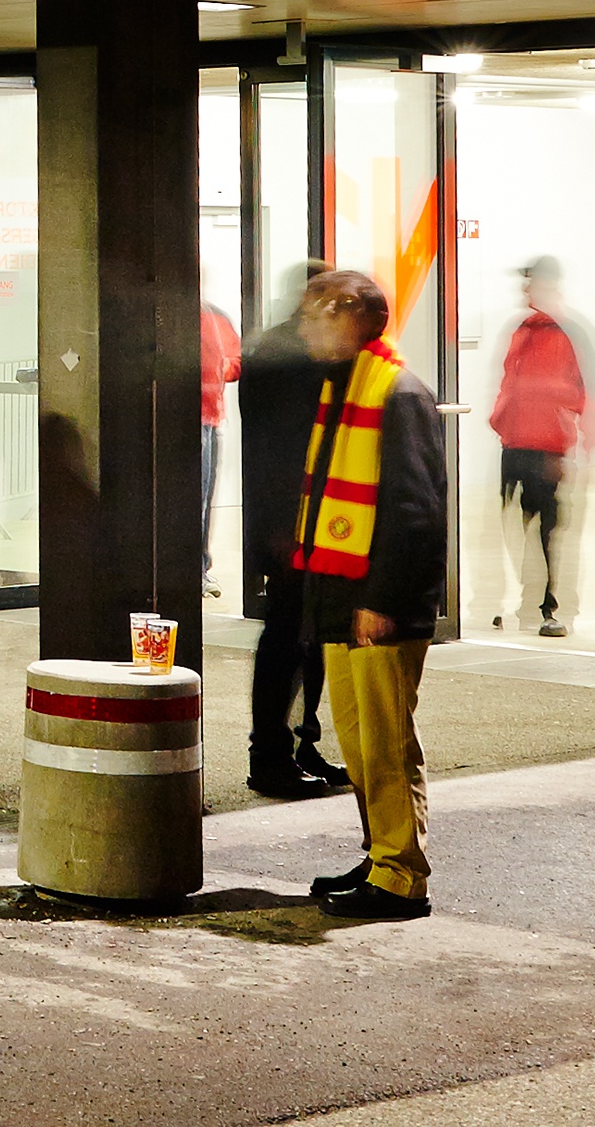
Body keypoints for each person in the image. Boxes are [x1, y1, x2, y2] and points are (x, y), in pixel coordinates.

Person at [280, 267, 450, 920]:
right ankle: (381, 851)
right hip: (343, 596)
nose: (304, 328)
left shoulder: (398, 394)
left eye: (314, 316)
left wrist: (383, 600)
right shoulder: (345, 387)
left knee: (385, 741)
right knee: (357, 740)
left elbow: (416, 511)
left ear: (350, 317)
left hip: (379, 604)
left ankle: (402, 877)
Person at [233, 259, 339, 797]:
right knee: (286, 633)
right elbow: (271, 451)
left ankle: (302, 743)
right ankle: (269, 754)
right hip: (288, 519)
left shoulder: (305, 351)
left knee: (311, 632)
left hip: (314, 515)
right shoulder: (278, 355)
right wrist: (279, 526)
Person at [482, 254, 595, 635]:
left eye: (531, 281)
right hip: (515, 445)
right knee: (518, 527)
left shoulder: (568, 333)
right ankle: (530, 601)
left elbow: (590, 392)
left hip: (549, 448)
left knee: (549, 531)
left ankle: (552, 609)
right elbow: (507, 382)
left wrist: (586, 447)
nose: (525, 288)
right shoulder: (523, 330)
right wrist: (501, 422)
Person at [196, 294, 239, 596]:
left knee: (201, 498)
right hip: (198, 416)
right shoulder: (206, 314)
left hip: (208, 417)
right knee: (195, 499)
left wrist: (221, 369)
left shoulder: (215, 314)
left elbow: (236, 362)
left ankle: (198, 568)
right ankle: (194, 570)